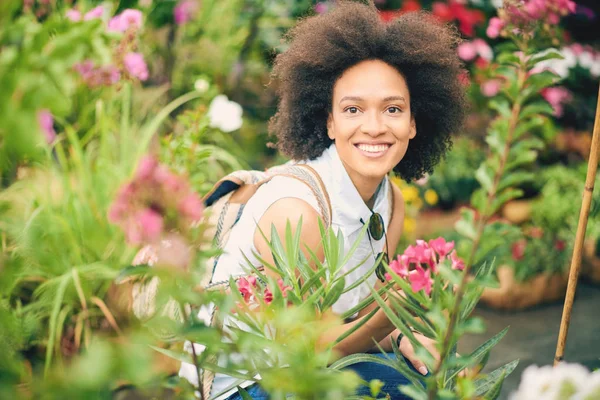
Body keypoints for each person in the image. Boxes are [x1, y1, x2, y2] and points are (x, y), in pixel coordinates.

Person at [180, 2, 466, 398]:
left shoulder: (390, 201)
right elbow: (314, 350)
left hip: (317, 364)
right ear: (328, 121)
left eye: (393, 109)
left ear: (414, 122)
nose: (374, 126)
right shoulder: (297, 210)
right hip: (249, 383)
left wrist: (406, 332)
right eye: (352, 109)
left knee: (430, 379)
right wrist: (401, 308)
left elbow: (356, 319)